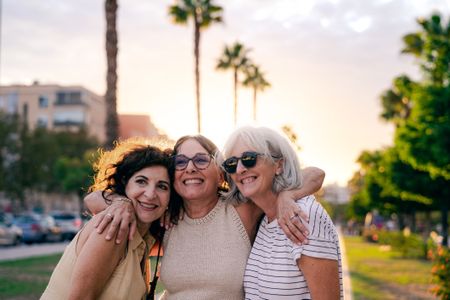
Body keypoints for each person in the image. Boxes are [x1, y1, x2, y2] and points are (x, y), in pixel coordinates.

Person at [85, 134, 325, 299]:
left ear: (221, 172)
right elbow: (93, 199)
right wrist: (122, 203)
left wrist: (286, 195)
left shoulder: (242, 209)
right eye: (180, 162)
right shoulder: (166, 215)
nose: (190, 168)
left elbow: (316, 174)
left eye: (201, 159)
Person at [41, 139, 177, 300]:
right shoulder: (113, 226)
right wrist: (119, 201)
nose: (150, 194)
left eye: (162, 186)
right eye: (141, 181)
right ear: (125, 184)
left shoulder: (143, 239)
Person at [221, 126, 343, 299]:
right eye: (231, 163)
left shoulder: (304, 215)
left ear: (278, 165)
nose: (240, 169)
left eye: (249, 159)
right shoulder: (265, 220)